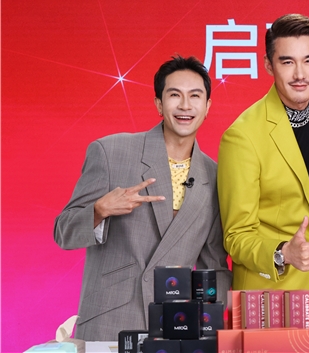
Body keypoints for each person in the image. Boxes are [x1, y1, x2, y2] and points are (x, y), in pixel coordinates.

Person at [54, 55, 231, 341]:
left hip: (174, 328)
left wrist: (207, 327)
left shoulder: (215, 177)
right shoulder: (111, 152)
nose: (185, 106)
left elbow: (215, 268)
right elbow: (63, 232)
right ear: (159, 104)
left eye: (195, 96)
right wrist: (99, 210)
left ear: (208, 106)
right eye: (175, 95)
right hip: (109, 322)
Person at [218, 14, 309, 290]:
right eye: (287, 62)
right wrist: (283, 253)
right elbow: (236, 236)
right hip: (271, 288)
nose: (300, 74)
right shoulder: (242, 136)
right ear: (269, 65)